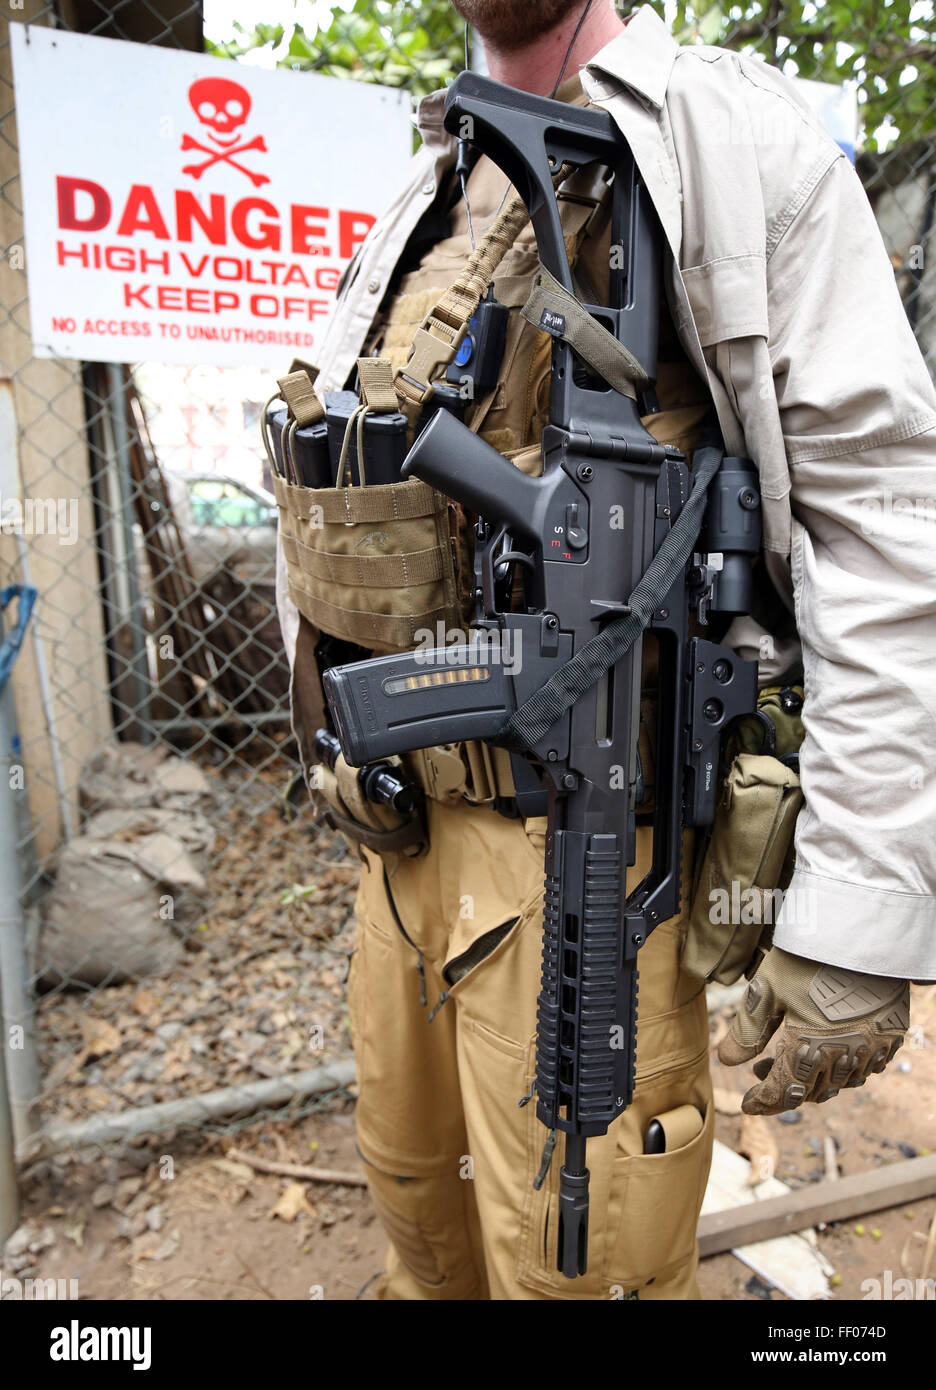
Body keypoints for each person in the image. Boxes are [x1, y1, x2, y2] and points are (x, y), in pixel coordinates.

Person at [274, 1, 935, 1299]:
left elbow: (886, 525)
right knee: (423, 1230)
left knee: (586, 1271)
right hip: (397, 838)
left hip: (584, 841)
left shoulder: (727, 140)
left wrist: (861, 913)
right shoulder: (437, 172)